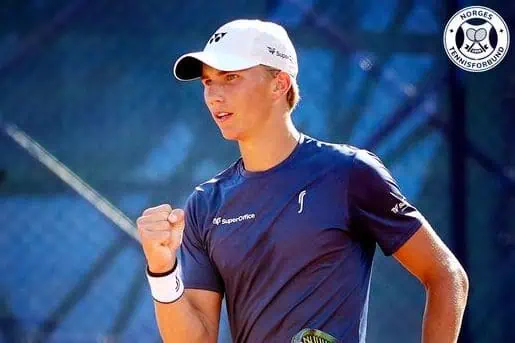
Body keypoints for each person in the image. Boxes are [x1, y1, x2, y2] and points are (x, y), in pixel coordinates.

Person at [136, 19, 469, 343]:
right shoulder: (206, 203)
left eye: (230, 77)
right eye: (208, 82)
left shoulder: (349, 172)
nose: (214, 95)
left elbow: (446, 276)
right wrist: (162, 270)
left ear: (279, 84)